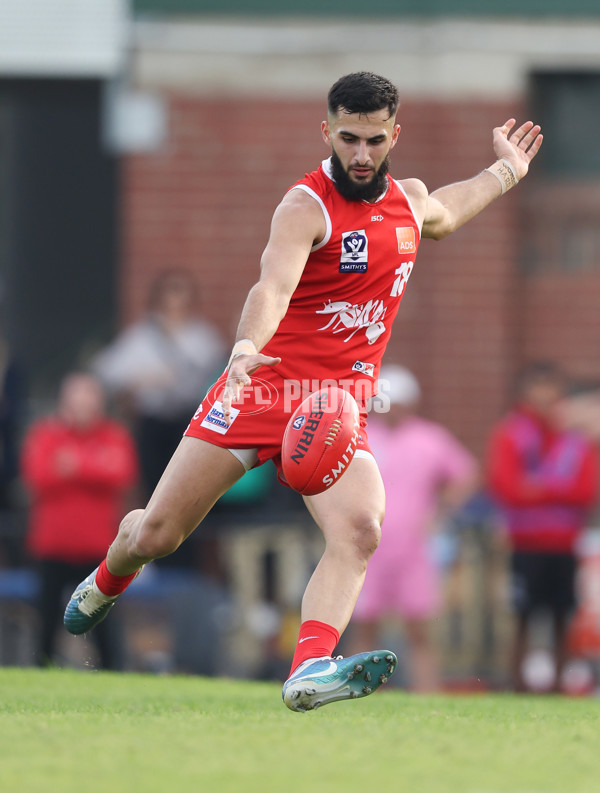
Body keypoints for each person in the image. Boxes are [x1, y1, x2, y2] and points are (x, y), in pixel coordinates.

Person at [64, 71, 543, 711]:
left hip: (334, 409)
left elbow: (448, 211)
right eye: (348, 138)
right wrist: (241, 350)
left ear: (394, 133)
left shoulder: (407, 202)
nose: (362, 154)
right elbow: (271, 288)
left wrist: (505, 171)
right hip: (259, 390)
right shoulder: (304, 207)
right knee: (157, 534)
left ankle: (310, 667)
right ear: (327, 131)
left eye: (374, 140)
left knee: (362, 529)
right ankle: (106, 576)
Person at [350, 365, 478, 692]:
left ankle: (427, 692)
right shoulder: (361, 434)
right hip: (368, 545)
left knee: (418, 627)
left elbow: (465, 473)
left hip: (413, 547)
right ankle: (357, 692)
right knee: (365, 625)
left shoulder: (429, 438)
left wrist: (441, 512)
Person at [486, 362, 599, 692]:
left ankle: (561, 684)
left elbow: (585, 491)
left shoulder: (576, 438)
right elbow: (506, 487)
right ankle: (517, 683)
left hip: (564, 542)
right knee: (522, 614)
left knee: (563, 616)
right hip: (525, 542)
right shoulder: (511, 433)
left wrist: (536, 488)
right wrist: (555, 489)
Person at [21, 372, 139, 668]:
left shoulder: (114, 435)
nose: (84, 404)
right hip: (52, 546)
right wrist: (94, 464)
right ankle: (41, 672)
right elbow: (38, 476)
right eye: (77, 396)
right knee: (46, 622)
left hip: (98, 548)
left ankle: (113, 676)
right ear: (64, 401)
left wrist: (73, 464)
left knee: (105, 626)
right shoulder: (44, 434)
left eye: (89, 396)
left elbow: (121, 473)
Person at [92, 269, 226, 500]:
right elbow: (106, 370)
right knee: (153, 487)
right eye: (171, 291)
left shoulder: (202, 336)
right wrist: (141, 379)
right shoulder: (143, 335)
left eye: (181, 292)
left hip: (190, 420)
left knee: (189, 486)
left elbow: (218, 369)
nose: (176, 299)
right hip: (152, 422)